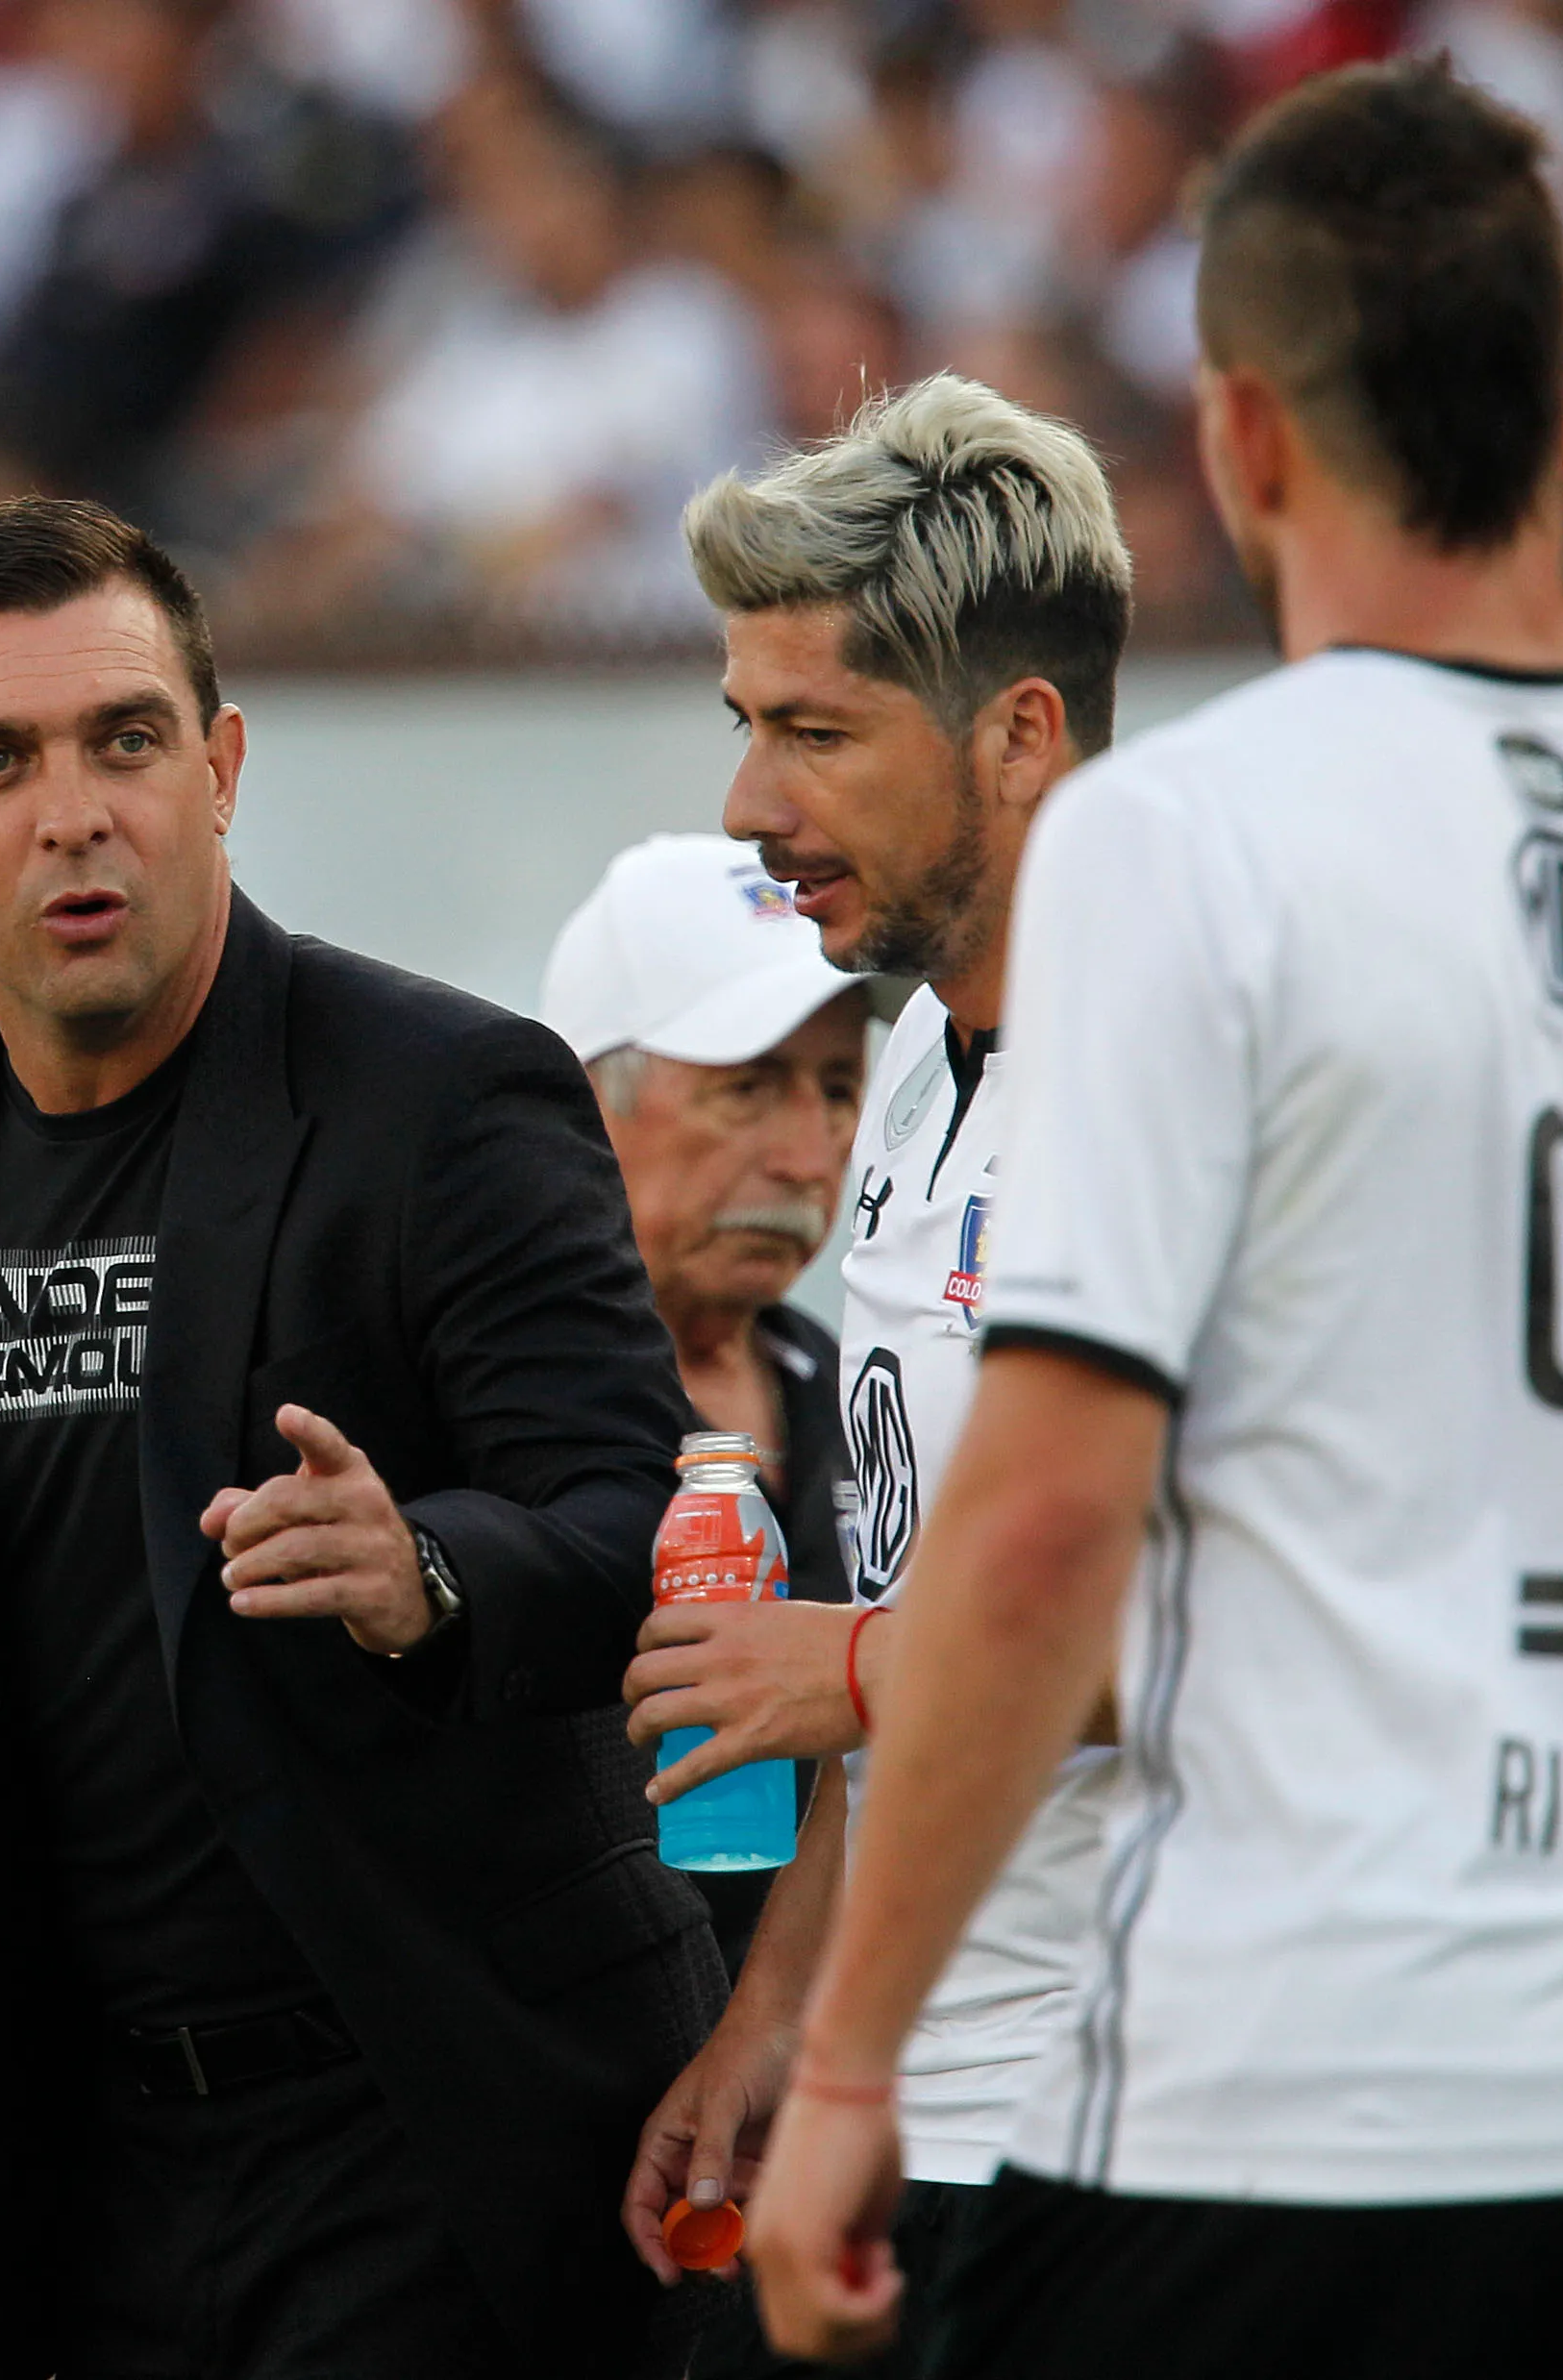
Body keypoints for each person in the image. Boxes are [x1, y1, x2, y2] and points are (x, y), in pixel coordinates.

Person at [750, 62, 1563, 2380]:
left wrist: (848, 2060)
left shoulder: (1180, 844)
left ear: (1237, 441)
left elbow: (1036, 1527)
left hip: (1283, 2105)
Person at [0, 495, 716, 2380]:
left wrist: (423, 1573)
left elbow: (632, 1522)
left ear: (222, 764)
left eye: (126, 739)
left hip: (434, 2114)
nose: (73, 808)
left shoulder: (445, 1094)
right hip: (97, 2157)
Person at [602, 374, 1137, 2376]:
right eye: (745, 724)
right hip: (922, 2103)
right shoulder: (914, 1058)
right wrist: (775, 2028)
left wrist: (838, 1665)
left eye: (814, 729)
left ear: (1020, 734)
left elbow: (1253, 1612)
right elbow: (922, 1606)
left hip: (1151, 2124)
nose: (752, 800)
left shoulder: (1189, 1067)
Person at [540, 830, 871, 1984]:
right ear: (584, 1107)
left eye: (839, 1089)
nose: (806, 1153)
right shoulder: (504, 1423)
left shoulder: (878, 1401)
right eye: (747, 1088)